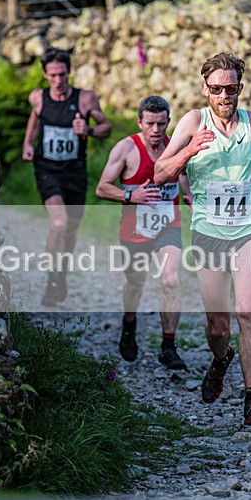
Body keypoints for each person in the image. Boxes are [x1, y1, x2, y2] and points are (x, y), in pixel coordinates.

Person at [154, 52, 251, 427]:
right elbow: (159, 174)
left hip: (250, 227)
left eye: (232, 88)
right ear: (205, 89)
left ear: (240, 88)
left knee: (247, 311)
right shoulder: (192, 122)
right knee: (218, 325)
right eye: (217, 89)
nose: (225, 96)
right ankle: (222, 359)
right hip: (208, 232)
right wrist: (189, 150)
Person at [96, 96, 193, 370]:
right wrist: (131, 194)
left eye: (161, 123)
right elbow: (102, 188)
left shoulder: (176, 146)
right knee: (135, 284)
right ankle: (129, 322)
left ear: (168, 122)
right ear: (140, 121)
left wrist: (188, 196)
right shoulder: (126, 148)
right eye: (150, 123)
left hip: (168, 226)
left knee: (171, 280)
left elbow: (183, 175)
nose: (156, 130)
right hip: (134, 230)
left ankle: (168, 346)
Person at [22, 48, 111, 307]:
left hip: (75, 171)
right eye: (52, 75)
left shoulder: (85, 99)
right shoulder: (38, 98)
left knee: (71, 228)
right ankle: (52, 279)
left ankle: (61, 272)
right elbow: (35, 120)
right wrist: (28, 144)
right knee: (59, 223)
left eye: (62, 74)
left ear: (68, 72)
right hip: (47, 169)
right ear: (45, 75)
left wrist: (89, 129)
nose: (58, 80)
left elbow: (107, 128)